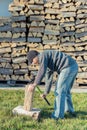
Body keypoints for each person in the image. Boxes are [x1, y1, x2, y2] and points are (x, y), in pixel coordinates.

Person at [27, 49, 78, 120]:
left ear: (35, 57)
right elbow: (48, 79)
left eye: (32, 61)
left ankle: (58, 116)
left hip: (68, 67)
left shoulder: (42, 56)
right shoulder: (47, 60)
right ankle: (69, 110)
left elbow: (41, 71)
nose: (33, 63)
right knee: (65, 91)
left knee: (59, 91)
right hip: (73, 66)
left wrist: (34, 84)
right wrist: (45, 92)